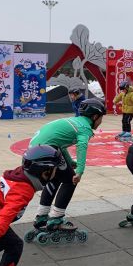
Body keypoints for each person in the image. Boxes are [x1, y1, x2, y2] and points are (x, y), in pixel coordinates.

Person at [28, 98, 106, 235]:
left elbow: (61, 145)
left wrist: (69, 162)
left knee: (55, 178)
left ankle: (41, 217)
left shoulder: (74, 121)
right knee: (71, 180)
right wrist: (80, 171)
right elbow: (82, 147)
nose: (101, 122)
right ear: (95, 116)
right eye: (101, 118)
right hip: (48, 150)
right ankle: (56, 219)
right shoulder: (85, 127)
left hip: (35, 151)